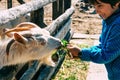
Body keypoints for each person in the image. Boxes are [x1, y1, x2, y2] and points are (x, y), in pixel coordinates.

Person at [67, 0, 120, 80]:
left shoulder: (118, 25)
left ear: (116, 3)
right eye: (94, 6)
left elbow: (106, 55)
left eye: (100, 5)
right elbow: (103, 46)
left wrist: (81, 53)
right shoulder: (109, 20)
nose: (97, 11)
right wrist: (81, 53)